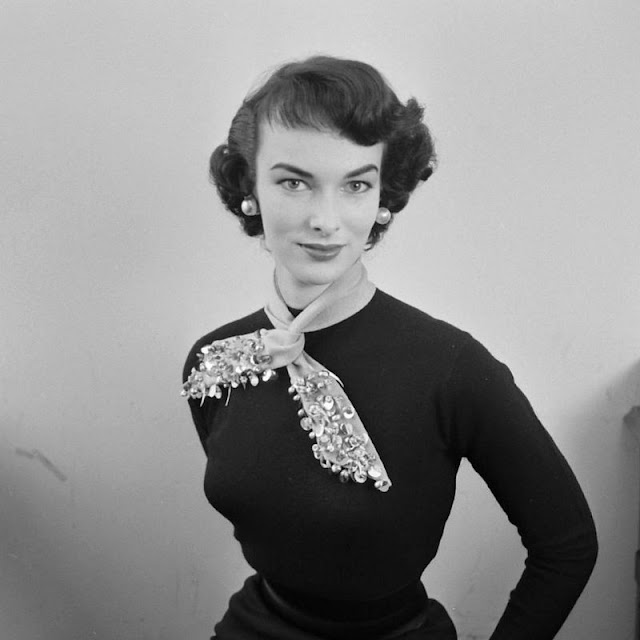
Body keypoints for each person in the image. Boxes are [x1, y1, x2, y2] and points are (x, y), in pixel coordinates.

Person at [182, 55, 598, 640]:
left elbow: (568, 545)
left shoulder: (452, 368)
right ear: (250, 188)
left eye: (355, 185)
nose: (325, 220)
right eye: (294, 182)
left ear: (382, 198)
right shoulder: (214, 361)